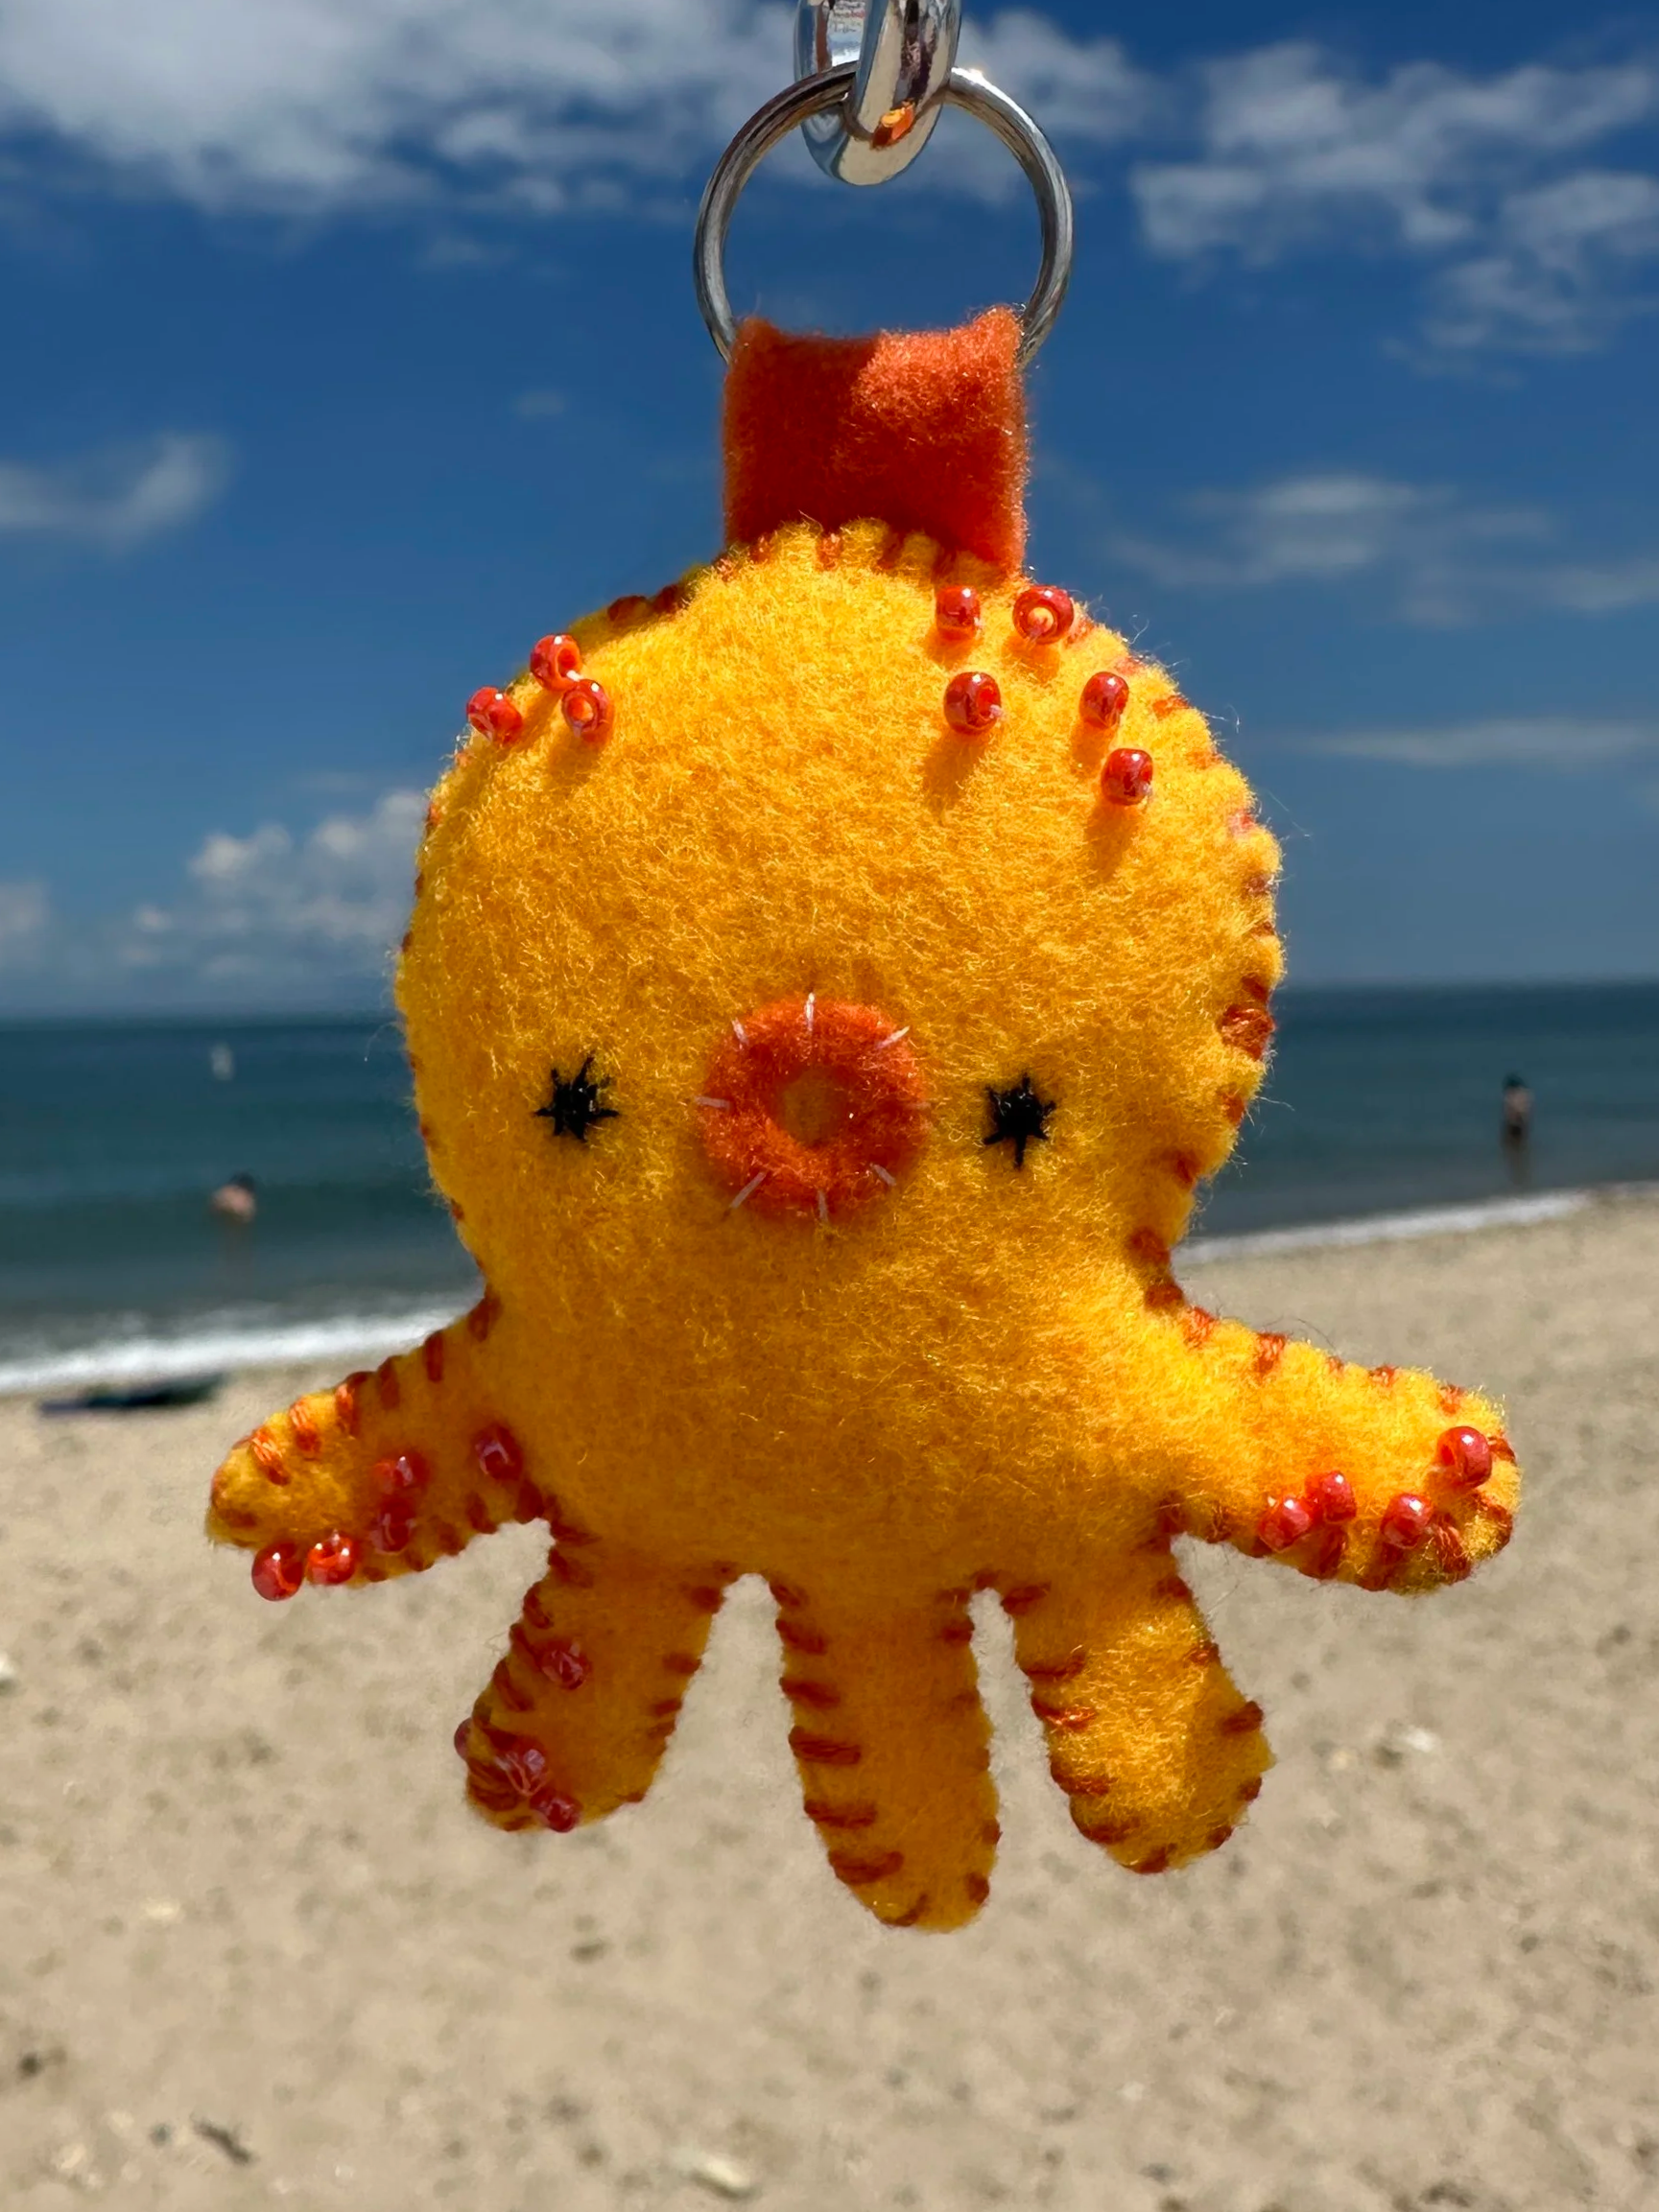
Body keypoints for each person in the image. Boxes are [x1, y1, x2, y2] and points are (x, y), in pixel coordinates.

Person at [1501, 1074, 1532, 1146]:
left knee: (1510, 1143)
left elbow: (1507, 1111)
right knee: (1520, 1142)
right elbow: (1527, 1110)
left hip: (1513, 1122)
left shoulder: (1510, 1095)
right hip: (1521, 1122)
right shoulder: (1524, 1094)